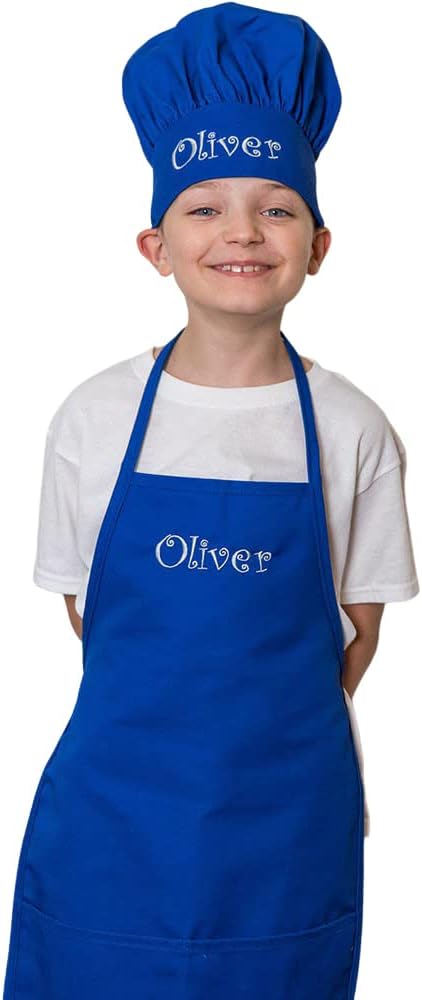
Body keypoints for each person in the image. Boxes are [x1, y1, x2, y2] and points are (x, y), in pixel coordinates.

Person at [3, 4, 419, 998]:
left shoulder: (353, 427)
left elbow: (356, 633)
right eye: (204, 208)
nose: (241, 231)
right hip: (111, 830)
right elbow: (88, 616)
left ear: (318, 244)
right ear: (155, 245)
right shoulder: (94, 417)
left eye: (276, 208)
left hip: (284, 837)